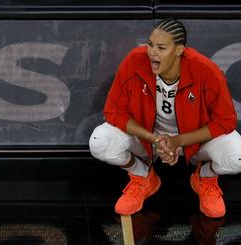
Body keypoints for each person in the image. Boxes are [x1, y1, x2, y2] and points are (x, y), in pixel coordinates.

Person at [89, 18, 241, 218]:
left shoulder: (206, 71)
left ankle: (205, 178)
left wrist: (179, 140)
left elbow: (225, 121)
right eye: (150, 44)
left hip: (192, 141)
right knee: (99, 142)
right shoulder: (135, 60)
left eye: (161, 47)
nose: (152, 52)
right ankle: (142, 177)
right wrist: (154, 139)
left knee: (238, 156)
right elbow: (114, 112)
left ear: (179, 50)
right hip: (149, 139)